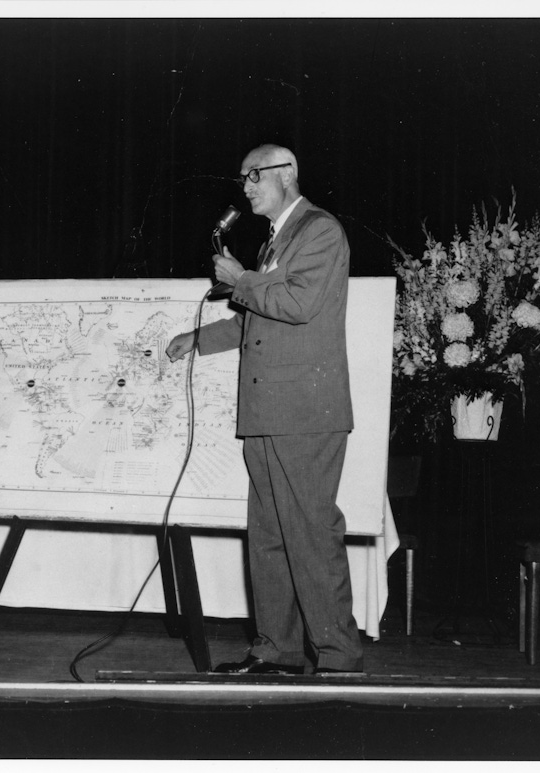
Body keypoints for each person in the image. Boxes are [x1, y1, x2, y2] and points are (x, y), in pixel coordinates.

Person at [166, 143, 363, 675]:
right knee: (270, 534)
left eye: (255, 175)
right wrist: (200, 337)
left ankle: (339, 656)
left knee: (310, 532)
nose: (246, 186)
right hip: (268, 409)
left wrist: (240, 281)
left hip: (303, 410)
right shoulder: (277, 241)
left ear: (288, 173)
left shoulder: (320, 230)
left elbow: (297, 305)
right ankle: (275, 648)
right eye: (243, 177)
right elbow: (261, 319)